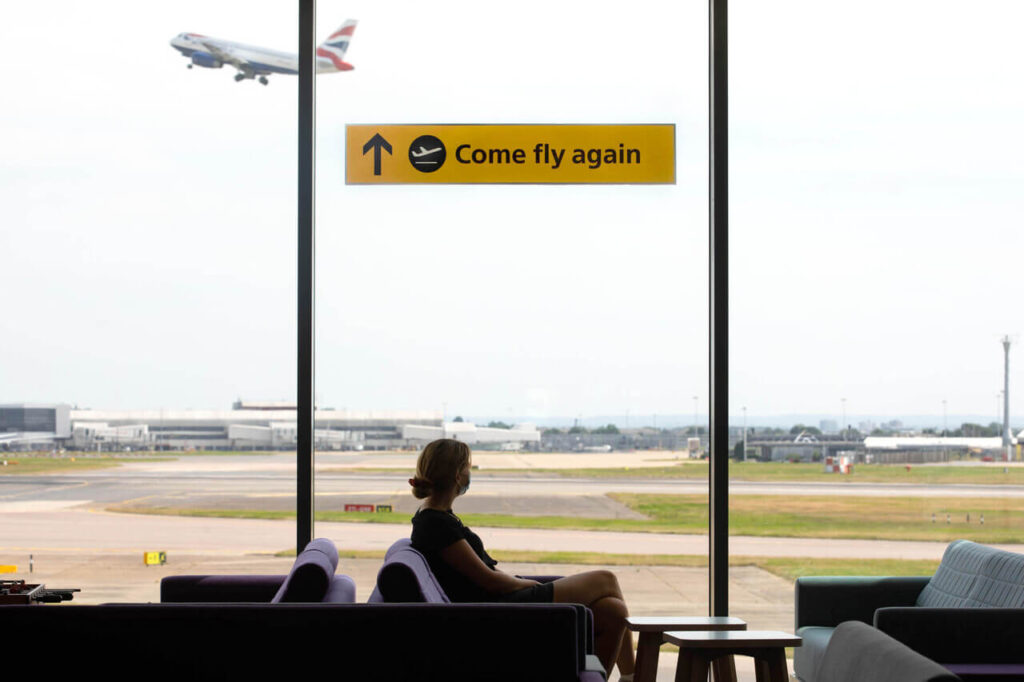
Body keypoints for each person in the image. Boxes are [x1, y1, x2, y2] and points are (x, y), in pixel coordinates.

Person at [408, 438, 635, 679]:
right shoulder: (436, 524)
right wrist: (525, 584)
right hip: (501, 610)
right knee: (606, 579)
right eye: (468, 467)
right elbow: (489, 581)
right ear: (457, 476)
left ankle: (620, 677)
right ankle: (636, 676)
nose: (469, 473)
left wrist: (518, 583)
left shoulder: (438, 516)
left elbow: (480, 574)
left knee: (614, 611)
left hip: (501, 601)